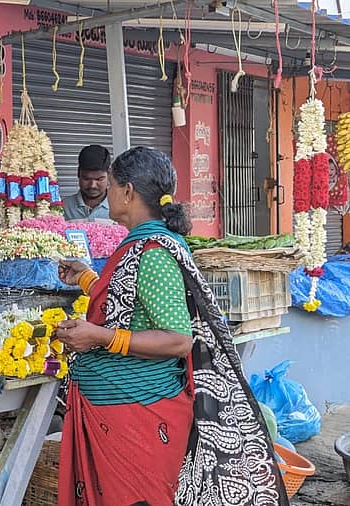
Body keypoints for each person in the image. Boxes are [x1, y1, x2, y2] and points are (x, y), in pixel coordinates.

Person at [54, 147, 287, 505]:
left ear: (128, 192)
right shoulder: (143, 244)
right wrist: (88, 279)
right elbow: (131, 301)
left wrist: (100, 336)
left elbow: (178, 339)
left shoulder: (154, 252)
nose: (108, 193)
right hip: (119, 411)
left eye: (111, 185)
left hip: (137, 414)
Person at [62, 145, 111, 221]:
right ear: (78, 173)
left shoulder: (120, 207)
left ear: (109, 174)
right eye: (86, 179)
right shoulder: (62, 208)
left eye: (99, 179)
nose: (92, 185)